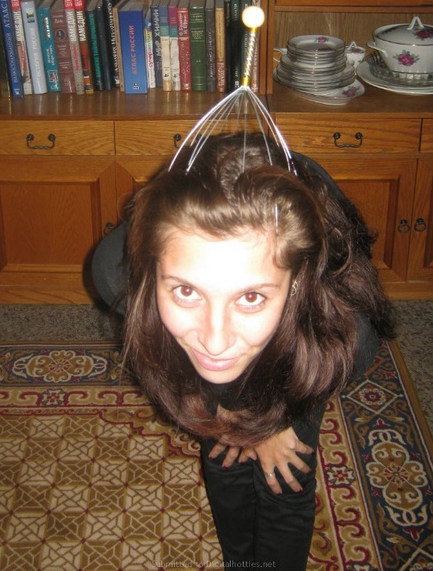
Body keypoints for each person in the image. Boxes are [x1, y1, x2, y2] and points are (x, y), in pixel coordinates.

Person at [92, 132, 395, 570]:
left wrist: (275, 424)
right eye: (186, 291)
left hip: (300, 336)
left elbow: (302, 369)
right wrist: (226, 415)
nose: (214, 340)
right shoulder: (114, 274)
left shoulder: (346, 336)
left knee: (284, 475)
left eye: (250, 297)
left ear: (297, 285)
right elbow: (209, 380)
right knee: (224, 446)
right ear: (152, 272)